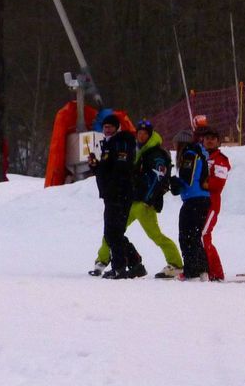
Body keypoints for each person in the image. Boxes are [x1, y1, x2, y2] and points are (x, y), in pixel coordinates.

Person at [89, 120, 183, 279]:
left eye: (145, 134)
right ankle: (105, 260)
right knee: (115, 231)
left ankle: (175, 263)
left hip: (144, 203)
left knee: (147, 234)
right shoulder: (139, 150)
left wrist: (148, 199)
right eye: (139, 133)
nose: (141, 136)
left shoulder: (155, 153)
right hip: (133, 199)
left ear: (150, 135)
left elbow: (157, 178)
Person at [88, 113, 145, 280]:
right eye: (105, 127)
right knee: (114, 232)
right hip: (111, 194)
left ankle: (119, 267)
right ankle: (135, 263)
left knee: (113, 232)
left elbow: (121, 167)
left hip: (120, 194)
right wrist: (96, 166)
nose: (107, 130)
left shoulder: (121, 142)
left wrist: (109, 179)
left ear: (117, 127)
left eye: (110, 127)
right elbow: (107, 169)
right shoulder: (109, 144)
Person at [170, 135, 211, 281]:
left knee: (187, 236)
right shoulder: (199, 153)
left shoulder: (189, 154)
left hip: (194, 200)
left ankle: (193, 270)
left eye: (175, 144)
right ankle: (201, 269)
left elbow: (188, 178)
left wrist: (175, 182)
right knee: (193, 236)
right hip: (200, 198)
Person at [200, 127, 231, 281]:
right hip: (199, 203)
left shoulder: (220, 159)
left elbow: (217, 184)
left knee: (204, 235)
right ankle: (207, 270)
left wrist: (201, 183)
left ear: (218, 141)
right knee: (200, 236)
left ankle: (216, 273)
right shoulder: (201, 156)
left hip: (211, 203)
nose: (210, 141)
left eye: (213, 138)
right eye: (207, 138)